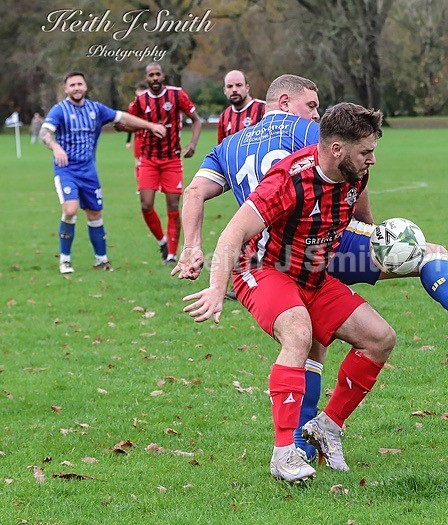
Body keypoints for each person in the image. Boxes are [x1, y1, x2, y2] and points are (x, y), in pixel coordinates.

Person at [174, 74, 448, 462]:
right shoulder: (315, 137)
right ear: (286, 102)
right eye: (312, 106)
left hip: (310, 247)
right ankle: (295, 447)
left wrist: (191, 248)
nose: (317, 114)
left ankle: (315, 436)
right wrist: (371, 231)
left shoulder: (229, 146)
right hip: (282, 255)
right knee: (307, 334)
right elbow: (346, 173)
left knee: (335, 335)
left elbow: (194, 193)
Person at [183, 102, 393, 483]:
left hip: (314, 275)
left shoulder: (355, 176)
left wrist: (391, 243)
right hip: (263, 270)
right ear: (336, 150)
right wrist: (215, 289)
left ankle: (327, 427)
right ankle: (284, 454)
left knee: (380, 339)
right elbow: (233, 233)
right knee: (298, 332)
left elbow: (362, 224)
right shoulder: (288, 179)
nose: (372, 160)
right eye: (366, 152)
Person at [40, 71, 166, 274]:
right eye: (72, 85)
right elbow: (44, 132)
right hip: (66, 171)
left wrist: (150, 126)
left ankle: (101, 260)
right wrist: (55, 147)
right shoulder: (59, 110)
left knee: (95, 214)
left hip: (89, 172)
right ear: (66, 89)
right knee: (70, 210)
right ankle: (65, 260)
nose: (76, 88)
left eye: (79, 84)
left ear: (86, 86)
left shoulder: (95, 109)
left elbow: (122, 117)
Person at [127, 62, 202, 264]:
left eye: (157, 74)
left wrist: (193, 144)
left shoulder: (177, 95)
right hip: (148, 159)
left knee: (172, 205)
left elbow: (196, 119)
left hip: (172, 159)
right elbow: (127, 122)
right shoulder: (140, 101)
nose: (154, 78)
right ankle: (162, 240)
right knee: (145, 204)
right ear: (146, 79)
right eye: (150, 75)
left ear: (163, 76)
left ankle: (171, 254)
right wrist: (120, 124)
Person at [217, 70, 266, 143]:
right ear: (224, 91)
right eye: (229, 86)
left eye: (239, 85)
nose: (234, 90)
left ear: (247, 88)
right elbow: (221, 149)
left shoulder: (264, 109)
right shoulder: (224, 116)